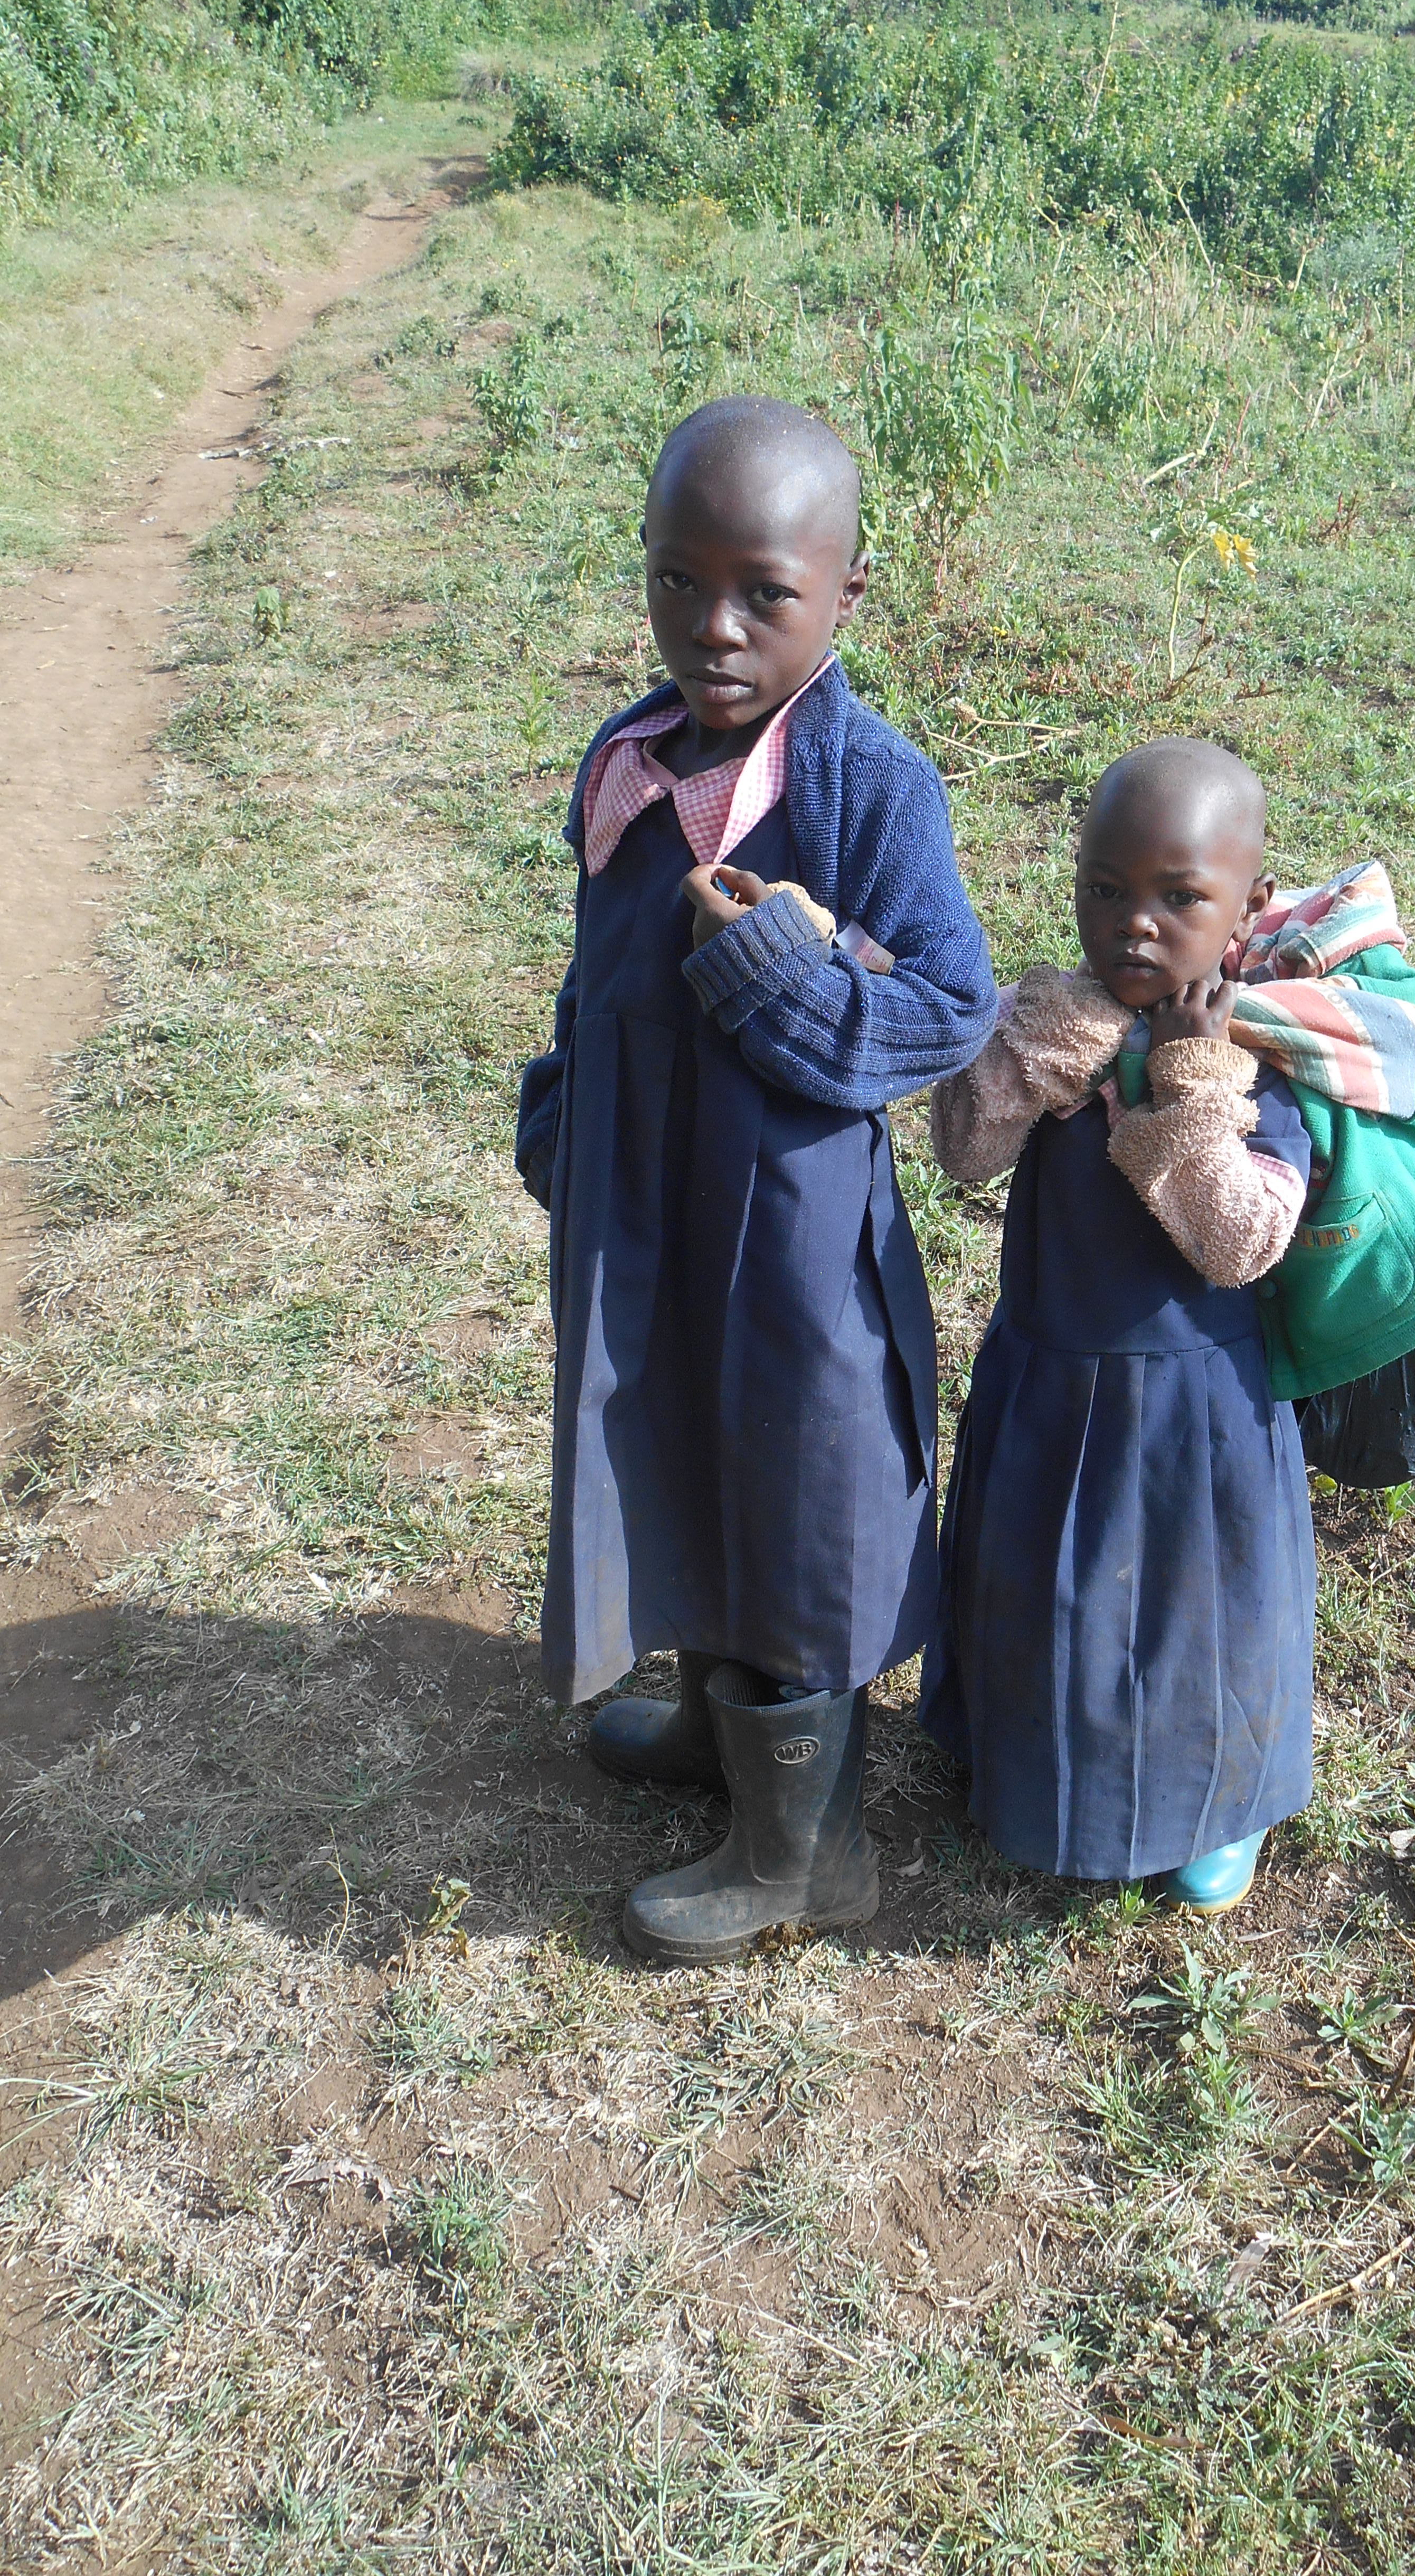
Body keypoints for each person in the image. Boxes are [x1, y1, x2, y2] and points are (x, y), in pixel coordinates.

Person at [515, 396, 996, 1965]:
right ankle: (724, 1727)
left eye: (763, 593)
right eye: (676, 581)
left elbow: (947, 1007)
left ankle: (809, 1846)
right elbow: (597, 972)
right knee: (668, 1448)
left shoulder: (869, 789)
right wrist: (564, 1110)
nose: (710, 628)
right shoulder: (629, 759)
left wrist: (789, 970)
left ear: (845, 594)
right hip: (647, 1210)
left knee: (800, 1494)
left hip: (787, 1244)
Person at [918, 738, 1316, 1916]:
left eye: (1179, 896)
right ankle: (1032, 1763)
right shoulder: (1056, 1022)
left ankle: (1218, 1803)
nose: (1134, 923)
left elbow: (1239, 1241)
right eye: (1105, 888)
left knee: (1201, 1617)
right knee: (1047, 1590)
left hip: (1200, 1411)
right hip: (1050, 1373)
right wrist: (1028, 1057)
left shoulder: (1263, 1057)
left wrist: (1189, 1094)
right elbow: (964, 1154)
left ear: (1248, 900)